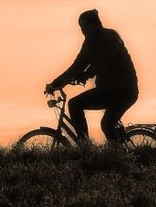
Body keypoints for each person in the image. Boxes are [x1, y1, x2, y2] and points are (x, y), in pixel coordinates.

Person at [45, 9, 138, 142]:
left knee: (105, 123)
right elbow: (92, 63)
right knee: (77, 105)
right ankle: (90, 147)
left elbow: (81, 66)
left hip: (123, 91)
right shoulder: (100, 39)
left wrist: (55, 83)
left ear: (94, 24)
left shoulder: (105, 39)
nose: (83, 30)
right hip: (109, 90)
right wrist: (82, 76)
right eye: (80, 27)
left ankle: (90, 148)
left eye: (84, 26)